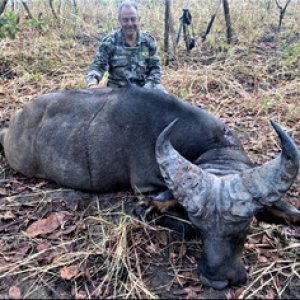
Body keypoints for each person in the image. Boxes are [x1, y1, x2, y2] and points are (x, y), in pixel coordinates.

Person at [86, 0, 166, 92]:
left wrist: (146, 90)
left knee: (167, 99)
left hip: (145, 90)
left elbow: (156, 70)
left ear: (139, 19)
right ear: (119, 20)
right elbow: (97, 66)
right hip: (118, 92)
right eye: (125, 20)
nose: (129, 23)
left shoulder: (148, 41)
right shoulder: (109, 42)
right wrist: (92, 83)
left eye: (133, 19)